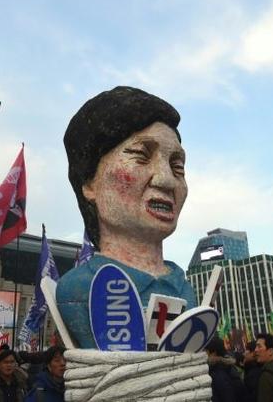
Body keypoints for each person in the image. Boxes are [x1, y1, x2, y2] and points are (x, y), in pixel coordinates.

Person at [57, 86, 196, 349]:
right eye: (141, 156)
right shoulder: (79, 289)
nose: (166, 180)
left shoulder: (185, 290)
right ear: (89, 183)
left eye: (177, 166)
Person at [202, 337, 238, 402]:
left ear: (214, 353)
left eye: (206, 351)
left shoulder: (218, 375)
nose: (204, 354)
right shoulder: (224, 367)